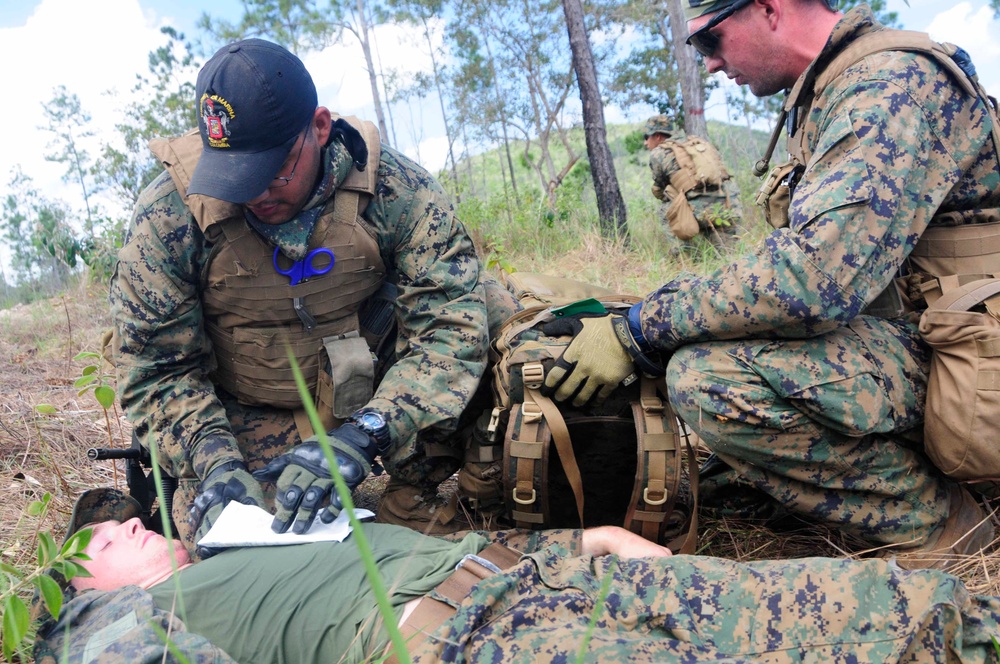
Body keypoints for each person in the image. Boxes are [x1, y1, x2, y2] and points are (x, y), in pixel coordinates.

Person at [541, 0, 1000, 569]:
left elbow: (813, 280)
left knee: (710, 379)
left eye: (709, 42)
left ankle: (946, 532)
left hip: (970, 348)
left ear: (769, 8)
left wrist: (642, 327)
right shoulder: (834, 91)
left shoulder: (888, 87)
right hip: (933, 332)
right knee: (711, 336)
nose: (708, 65)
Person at [108, 38, 518, 552]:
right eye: (235, 177)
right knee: (240, 554)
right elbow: (158, 369)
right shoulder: (170, 215)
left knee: (499, 312)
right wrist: (214, 461)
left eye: (273, 172)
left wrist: (368, 433)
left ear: (320, 128)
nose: (255, 194)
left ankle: (415, 493)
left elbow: (450, 328)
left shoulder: (397, 189)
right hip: (249, 406)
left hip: (378, 389)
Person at [35, 487, 1000, 663]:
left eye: (120, 516)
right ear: (85, 589)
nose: (123, 523)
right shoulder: (122, 625)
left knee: (877, 604)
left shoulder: (257, 538)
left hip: (541, 583)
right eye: (101, 542)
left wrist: (586, 541)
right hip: (468, 644)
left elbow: (425, 548)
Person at [643, 114, 742, 251]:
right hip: (729, 202)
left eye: (646, 137)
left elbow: (660, 189)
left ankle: (685, 254)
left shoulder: (658, 153)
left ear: (658, 136)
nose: (645, 143)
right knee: (727, 253)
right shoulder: (697, 143)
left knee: (666, 209)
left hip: (700, 210)